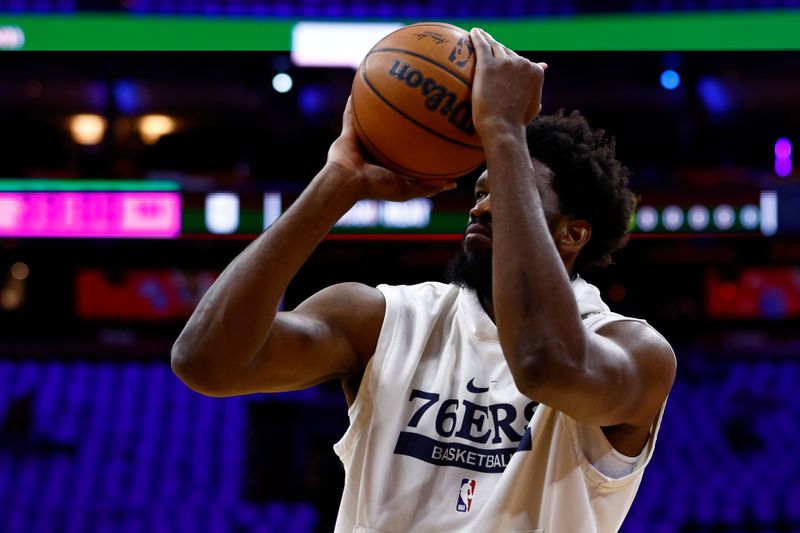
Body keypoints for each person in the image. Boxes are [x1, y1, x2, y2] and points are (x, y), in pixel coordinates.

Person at [172, 28, 676, 532]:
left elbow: (544, 364)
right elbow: (205, 363)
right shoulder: (382, 320)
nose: (479, 206)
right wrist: (338, 180)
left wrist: (503, 130)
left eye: (503, 189)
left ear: (573, 234)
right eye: (479, 191)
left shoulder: (634, 352)